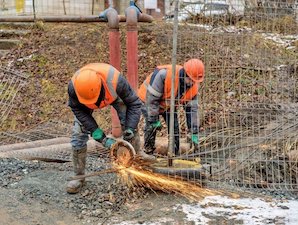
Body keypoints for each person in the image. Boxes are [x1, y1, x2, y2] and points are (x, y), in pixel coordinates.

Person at [67, 63, 154, 194]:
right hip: (84, 101)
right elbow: (77, 110)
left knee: (130, 124)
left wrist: (130, 128)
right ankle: (79, 177)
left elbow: (134, 104)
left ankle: (136, 160)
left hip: (113, 95)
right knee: (78, 134)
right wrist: (97, 133)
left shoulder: (116, 82)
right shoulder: (74, 88)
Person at [138, 58, 205, 156]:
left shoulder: (193, 87)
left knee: (174, 127)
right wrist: (154, 119)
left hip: (168, 104)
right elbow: (151, 100)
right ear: (185, 73)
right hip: (147, 100)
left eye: (194, 81)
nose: (192, 83)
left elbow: (192, 110)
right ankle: (148, 151)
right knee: (151, 126)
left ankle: (174, 153)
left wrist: (194, 130)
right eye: (190, 79)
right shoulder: (164, 75)